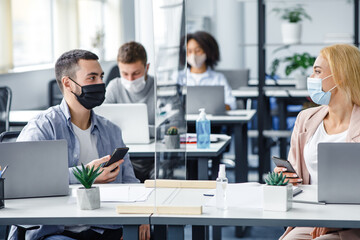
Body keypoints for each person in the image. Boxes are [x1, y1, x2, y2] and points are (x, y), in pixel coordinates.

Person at [8, 50, 150, 240]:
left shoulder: (111, 130)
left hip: (105, 228)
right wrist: (86, 174)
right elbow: (22, 182)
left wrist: (140, 216)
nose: (100, 84)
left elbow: (131, 182)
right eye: (91, 78)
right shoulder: (42, 128)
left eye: (101, 77)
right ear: (68, 83)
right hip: (57, 231)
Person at [276, 44, 360, 240]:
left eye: (318, 71)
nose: (311, 78)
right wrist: (286, 179)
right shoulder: (305, 119)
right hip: (310, 220)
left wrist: (335, 220)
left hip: (358, 225)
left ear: (342, 77)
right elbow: (298, 180)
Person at [179, 31, 237, 110]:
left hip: (212, 121)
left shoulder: (218, 78)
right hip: (186, 121)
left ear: (207, 51)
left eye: (198, 50)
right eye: (189, 51)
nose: (193, 55)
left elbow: (231, 104)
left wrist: (215, 108)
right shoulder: (178, 78)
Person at [105, 41, 155, 127]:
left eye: (136, 73)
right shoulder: (114, 87)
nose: (130, 79)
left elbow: (176, 125)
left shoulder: (160, 87)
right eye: (125, 74)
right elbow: (101, 120)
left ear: (147, 68)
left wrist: (146, 132)